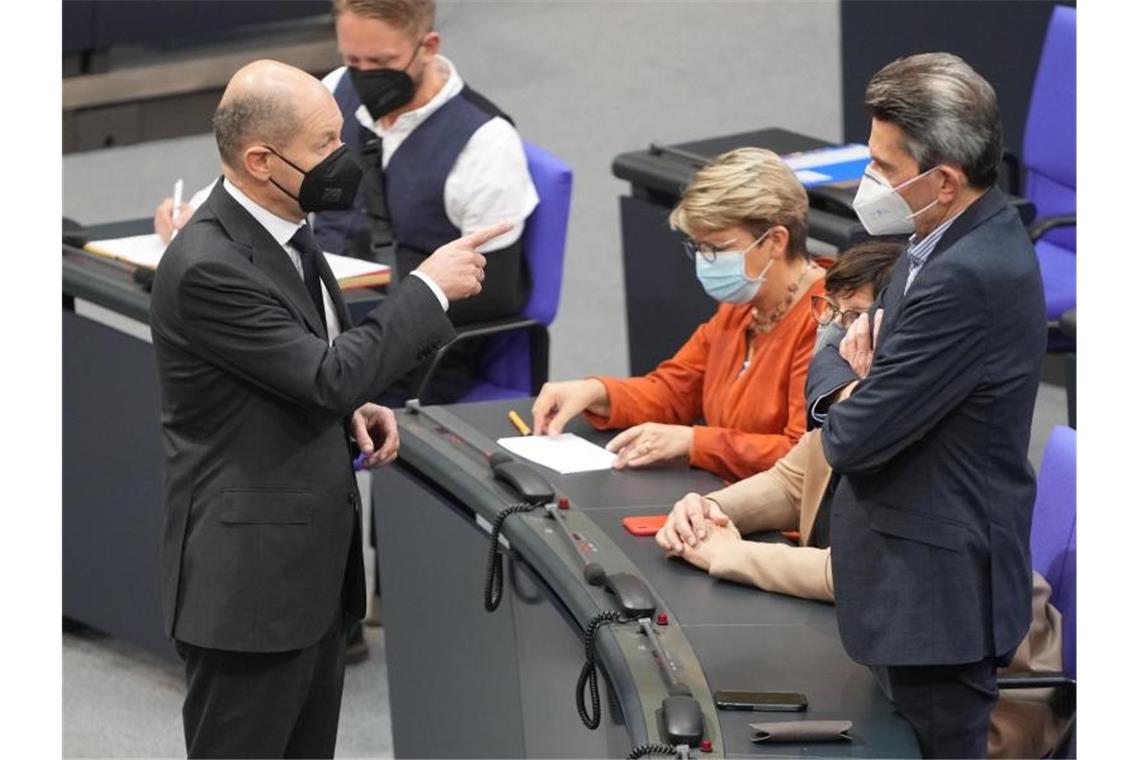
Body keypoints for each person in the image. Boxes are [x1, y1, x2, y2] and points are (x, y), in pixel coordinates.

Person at [148, 59, 510, 758]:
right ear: (261, 160)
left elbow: (296, 366)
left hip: (308, 577)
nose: (343, 157)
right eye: (323, 144)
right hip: (249, 590)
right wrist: (428, 290)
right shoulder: (208, 267)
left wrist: (353, 406)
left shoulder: (286, 227)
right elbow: (323, 374)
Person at [653, 243, 1062, 760]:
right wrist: (711, 510)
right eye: (833, 313)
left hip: (977, 707)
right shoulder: (854, 406)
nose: (836, 335)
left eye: (854, 317)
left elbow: (865, 570)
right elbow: (791, 480)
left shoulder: (929, 429)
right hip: (890, 664)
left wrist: (735, 557)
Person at [804, 53, 1047, 758]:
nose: (869, 182)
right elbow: (838, 344)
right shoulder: (935, 239)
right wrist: (859, 378)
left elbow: (847, 438)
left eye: (884, 165)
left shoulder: (969, 277)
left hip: (937, 603)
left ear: (941, 180)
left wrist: (855, 387)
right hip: (904, 583)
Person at [154, 0, 538, 403]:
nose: (364, 76)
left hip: (408, 351)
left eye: (381, 61)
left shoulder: (486, 145)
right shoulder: (338, 89)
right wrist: (198, 214)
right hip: (313, 316)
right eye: (353, 59)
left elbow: (495, 292)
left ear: (427, 47)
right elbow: (267, 166)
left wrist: (401, 300)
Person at [531, 147, 825, 482]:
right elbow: (674, 391)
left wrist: (693, 441)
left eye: (717, 249)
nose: (706, 261)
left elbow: (802, 456)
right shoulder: (743, 306)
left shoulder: (827, 321)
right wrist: (596, 391)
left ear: (775, 240)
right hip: (724, 494)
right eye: (699, 247)